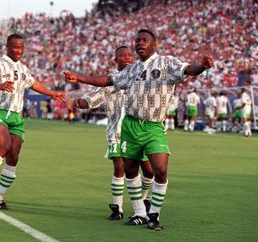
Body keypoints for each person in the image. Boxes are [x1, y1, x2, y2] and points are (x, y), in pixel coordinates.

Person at [64, 29, 214, 231]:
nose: (139, 43)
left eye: (144, 40)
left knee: (159, 170)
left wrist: (202, 67)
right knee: (129, 170)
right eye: (137, 40)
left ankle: (154, 214)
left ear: (154, 45)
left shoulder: (166, 63)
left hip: (154, 126)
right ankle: (139, 214)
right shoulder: (132, 70)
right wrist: (79, 79)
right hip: (130, 125)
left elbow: (189, 69)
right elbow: (109, 81)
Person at [0, 33, 66, 209]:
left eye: (21, 47)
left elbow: (34, 84)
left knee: (13, 156)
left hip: (16, 116)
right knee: (4, 146)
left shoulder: (23, 68)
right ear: (7, 46)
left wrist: (53, 93)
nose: (18, 50)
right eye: (15, 47)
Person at [72, 46, 154, 221]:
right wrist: (80, 103)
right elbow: (91, 99)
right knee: (120, 166)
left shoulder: (141, 76)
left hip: (141, 130)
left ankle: (145, 199)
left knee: (149, 171)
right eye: (122, 55)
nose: (127, 58)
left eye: (129, 55)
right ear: (115, 60)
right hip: (116, 131)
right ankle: (117, 207)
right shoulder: (107, 82)